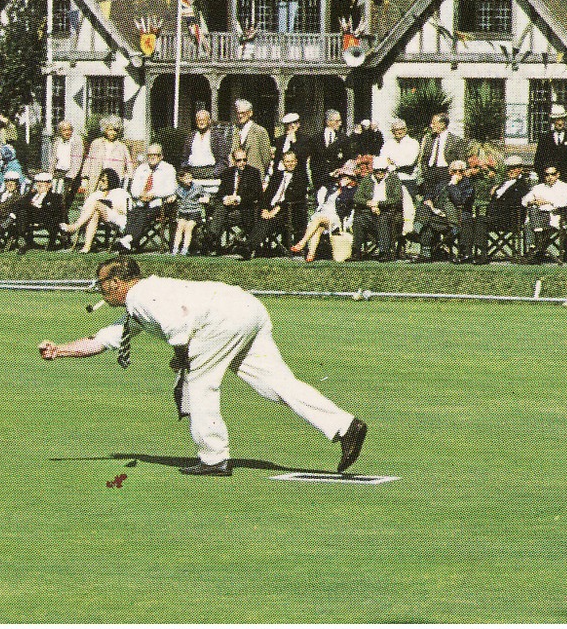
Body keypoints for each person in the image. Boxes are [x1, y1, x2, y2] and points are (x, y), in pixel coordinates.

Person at [38, 257, 370, 477]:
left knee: (199, 384)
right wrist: (61, 350)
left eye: (101, 283)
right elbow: (105, 338)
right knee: (277, 383)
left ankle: (213, 458)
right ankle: (345, 426)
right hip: (246, 309)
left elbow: (178, 324)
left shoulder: (141, 297)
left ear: (116, 282)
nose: (100, 290)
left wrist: (183, 359)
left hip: (222, 319)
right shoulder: (141, 302)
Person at [245, 151, 310, 261]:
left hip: (288, 211)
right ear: (283, 162)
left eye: (292, 161)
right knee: (258, 218)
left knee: (267, 221)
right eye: (287, 161)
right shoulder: (277, 175)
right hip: (271, 209)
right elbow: (266, 195)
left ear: (296, 161)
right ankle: (249, 246)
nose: (290, 164)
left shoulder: (301, 177)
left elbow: (294, 197)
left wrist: (277, 209)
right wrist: (265, 209)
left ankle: (248, 247)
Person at [292, 163, 359, 262]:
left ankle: (302, 242)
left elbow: (347, 202)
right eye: (342, 177)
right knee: (318, 228)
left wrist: (344, 188)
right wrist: (331, 174)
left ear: (352, 179)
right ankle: (311, 255)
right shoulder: (332, 187)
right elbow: (319, 182)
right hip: (324, 214)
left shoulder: (352, 190)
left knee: (318, 219)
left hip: (336, 218)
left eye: (347, 177)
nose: (343, 179)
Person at [119, 144, 179, 252]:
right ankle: (128, 242)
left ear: (161, 156)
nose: (152, 157)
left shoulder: (168, 169)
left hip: (160, 204)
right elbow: (133, 189)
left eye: (155, 155)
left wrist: (154, 194)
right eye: (149, 155)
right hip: (142, 202)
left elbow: (172, 189)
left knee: (143, 215)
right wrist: (141, 194)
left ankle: (128, 240)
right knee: (133, 214)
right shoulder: (141, 168)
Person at [414, 160, 473, 262]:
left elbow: (460, 201)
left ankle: (416, 232)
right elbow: (429, 195)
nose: (458, 173)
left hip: (456, 217)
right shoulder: (442, 183)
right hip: (438, 214)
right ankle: (425, 251)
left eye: (461, 171)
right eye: (455, 171)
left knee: (427, 221)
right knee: (424, 210)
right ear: (450, 172)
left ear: (465, 172)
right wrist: (429, 202)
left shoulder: (467, 185)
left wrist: (453, 185)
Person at [207, 147, 262, 255]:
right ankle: (213, 238)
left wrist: (238, 199)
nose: (242, 163)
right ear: (233, 161)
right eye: (239, 160)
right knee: (220, 209)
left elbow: (257, 194)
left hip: (244, 209)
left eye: (244, 160)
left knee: (220, 217)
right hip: (228, 208)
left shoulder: (253, 173)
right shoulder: (227, 173)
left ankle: (211, 239)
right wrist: (225, 199)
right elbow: (220, 193)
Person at [64, 169, 130, 255]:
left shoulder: (120, 192)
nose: (100, 182)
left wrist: (109, 204)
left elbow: (125, 210)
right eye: (100, 180)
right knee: (95, 213)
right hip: (100, 218)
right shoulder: (97, 194)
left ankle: (75, 227)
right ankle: (87, 247)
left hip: (116, 217)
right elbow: (86, 208)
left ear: (111, 180)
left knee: (96, 204)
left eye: (103, 180)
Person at [353, 157, 407, 261]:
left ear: (386, 170)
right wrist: (369, 204)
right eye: (377, 171)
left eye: (382, 171)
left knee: (383, 219)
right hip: (370, 211)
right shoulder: (367, 179)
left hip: (388, 211)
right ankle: (356, 252)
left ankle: (384, 252)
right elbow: (357, 197)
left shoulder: (393, 179)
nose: (379, 173)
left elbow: (397, 199)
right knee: (359, 220)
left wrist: (379, 204)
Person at [533, 106, 567, 190]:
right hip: (548, 183)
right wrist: (544, 179)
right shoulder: (544, 139)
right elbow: (538, 161)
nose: (560, 122)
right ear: (553, 121)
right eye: (557, 119)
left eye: (562, 119)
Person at [17, 172, 70, 252]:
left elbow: (52, 210)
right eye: (37, 183)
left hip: (45, 218)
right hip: (30, 217)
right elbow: (20, 203)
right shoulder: (31, 195)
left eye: (41, 183)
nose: (38, 185)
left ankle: (23, 235)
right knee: (22, 211)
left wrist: (34, 207)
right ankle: (24, 236)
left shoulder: (54, 197)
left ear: (49, 185)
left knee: (24, 210)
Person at [418, 112, 467, 198]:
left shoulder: (455, 140)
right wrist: (425, 171)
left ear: (442, 124)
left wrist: (455, 175)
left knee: (441, 200)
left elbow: (461, 161)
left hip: (445, 173)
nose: (431, 126)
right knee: (428, 200)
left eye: (434, 123)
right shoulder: (429, 139)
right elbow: (424, 158)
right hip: (430, 173)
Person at [81, 116, 132, 187]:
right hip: (96, 180)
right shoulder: (96, 143)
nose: (113, 133)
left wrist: (129, 178)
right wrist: (85, 177)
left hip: (114, 181)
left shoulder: (122, 147)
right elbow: (88, 160)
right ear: (105, 129)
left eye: (115, 130)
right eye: (110, 130)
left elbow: (129, 165)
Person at [180, 109, 231, 179]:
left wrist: (215, 173)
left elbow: (223, 160)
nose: (201, 122)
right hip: (192, 175)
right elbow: (184, 157)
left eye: (203, 120)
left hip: (210, 173)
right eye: (199, 120)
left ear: (209, 121)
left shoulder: (217, 137)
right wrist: (185, 172)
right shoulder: (190, 136)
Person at [379, 118, 422, 199]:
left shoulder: (413, 143)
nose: (399, 131)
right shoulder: (388, 143)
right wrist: (394, 162)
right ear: (392, 131)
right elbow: (383, 158)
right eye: (396, 130)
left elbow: (410, 161)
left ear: (406, 129)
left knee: (408, 207)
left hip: (407, 179)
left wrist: (393, 163)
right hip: (391, 179)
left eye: (402, 129)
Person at [171, 167, 208, 256]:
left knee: (188, 227)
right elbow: (175, 196)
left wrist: (205, 198)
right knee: (180, 226)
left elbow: (206, 194)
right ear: (181, 179)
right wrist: (172, 198)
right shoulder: (179, 189)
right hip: (183, 212)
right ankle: (175, 248)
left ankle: (185, 248)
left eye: (190, 178)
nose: (189, 180)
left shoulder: (197, 187)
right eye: (186, 178)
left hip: (194, 212)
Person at [308, 109, 352, 183]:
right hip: (320, 179)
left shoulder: (344, 138)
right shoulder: (315, 138)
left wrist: (340, 171)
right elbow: (313, 161)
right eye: (337, 121)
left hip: (337, 179)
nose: (340, 124)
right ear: (328, 122)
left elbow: (348, 158)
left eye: (340, 121)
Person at [50, 120, 85, 201]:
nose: (67, 132)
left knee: (63, 198)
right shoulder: (57, 142)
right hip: (58, 172)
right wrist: (50, 174)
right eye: (64, 130)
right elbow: (53, 160)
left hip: (70, 174)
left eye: (69, 130)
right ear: (60, 131)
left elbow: (77, 161)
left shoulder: (77, 142)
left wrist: (70, 178)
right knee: (53, 196)